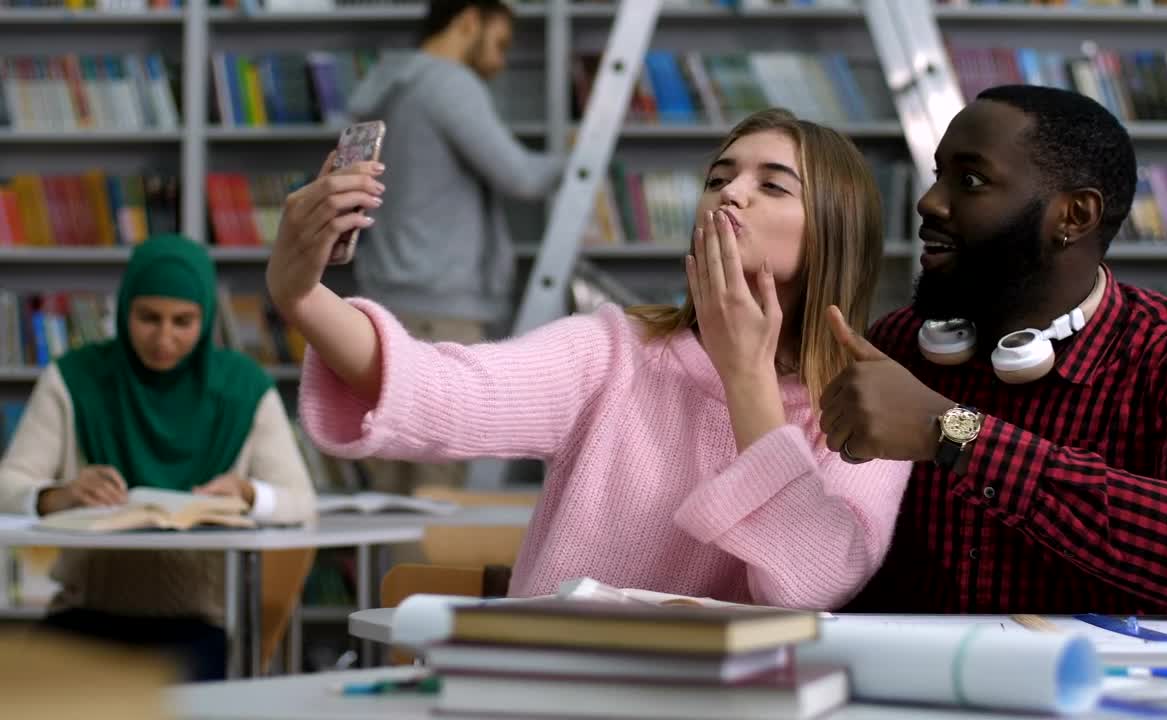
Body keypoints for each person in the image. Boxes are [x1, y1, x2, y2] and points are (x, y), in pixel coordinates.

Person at [268, 108, 911, 610]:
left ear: (834, 229)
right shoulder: (614, 351)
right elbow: (443, 392)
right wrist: (303, 297)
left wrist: (746, 379)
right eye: (718, 178)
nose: (730, 194)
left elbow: (813, 581)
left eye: (772, 185)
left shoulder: (869, 408)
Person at [818, 85, 1167, 620]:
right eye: (939, 175)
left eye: (970, 180)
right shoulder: (898, 345)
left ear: (1074, 216)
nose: (929, 202)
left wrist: (954, 434)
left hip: (1097, 675)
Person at [0, 234, 317, 680]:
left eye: (183, 321)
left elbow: (301, 502)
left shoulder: (243, 388)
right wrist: (57, 495)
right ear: (124, 309)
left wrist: (247, 493)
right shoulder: (73, 379)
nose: (164, 338)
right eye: (148, 317)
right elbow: (8, 484)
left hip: (196, 625)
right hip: (83, 616)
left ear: (206, 318)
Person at [345, 0, 565, 494]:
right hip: (441, 309)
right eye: (499, 43)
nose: (501, 61)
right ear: (468, 21)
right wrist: (581, 161)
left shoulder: (388, 86)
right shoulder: (446, 83)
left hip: (387, 302)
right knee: (438, 488)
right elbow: (519, 176)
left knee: (393, 479)